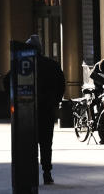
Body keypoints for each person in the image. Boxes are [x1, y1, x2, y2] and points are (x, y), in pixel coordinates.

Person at [26, 35, 65, 186]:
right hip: (47, 111)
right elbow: (62, 85)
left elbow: (7, 80)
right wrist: (55, 102)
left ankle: (30, 172)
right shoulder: (52, 65)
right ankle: (47, 173)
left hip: (27, 111)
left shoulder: (24, 65)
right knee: (46, 143)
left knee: (29, 143)